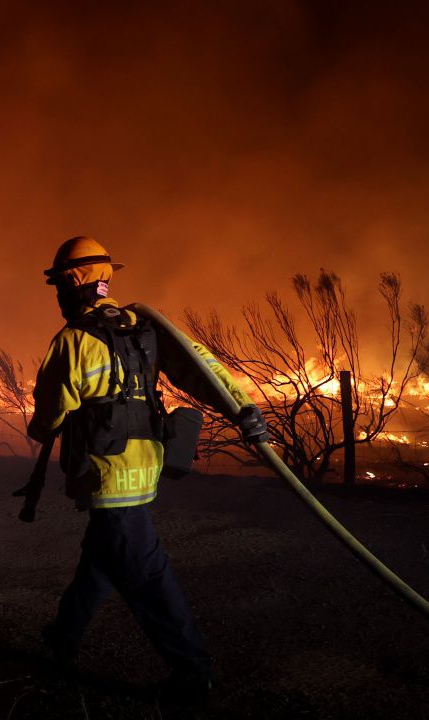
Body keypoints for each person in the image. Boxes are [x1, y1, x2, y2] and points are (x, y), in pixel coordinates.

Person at [25, 236, 268, 705]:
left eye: (59, 286)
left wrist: (47, 425)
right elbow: (204, 368)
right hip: (145, 469)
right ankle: (63, 636)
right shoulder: (145, 329)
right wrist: (244, 410)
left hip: (106, 475)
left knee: (146, 574)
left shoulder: (73, 341)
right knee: (102, 555)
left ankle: (192, 672)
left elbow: (47, 419)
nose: (58, 296)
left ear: (73, 282)